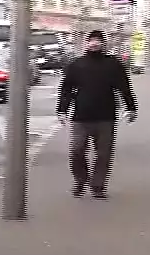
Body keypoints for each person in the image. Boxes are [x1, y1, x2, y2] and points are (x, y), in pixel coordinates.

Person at [57, 29, 137, 198]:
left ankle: (98, 185)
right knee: (77, 151)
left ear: (103, 43)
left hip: (106, 116)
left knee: (103, 153)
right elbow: (66, 89)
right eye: (91, 40)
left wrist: (131, 108)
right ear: (86, 43)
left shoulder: (112, 64)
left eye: (98, 40)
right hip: (81, 116)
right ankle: (81, 179)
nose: (94, 43)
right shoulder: (76, 64)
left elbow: (125, 87)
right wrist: (61, 110)